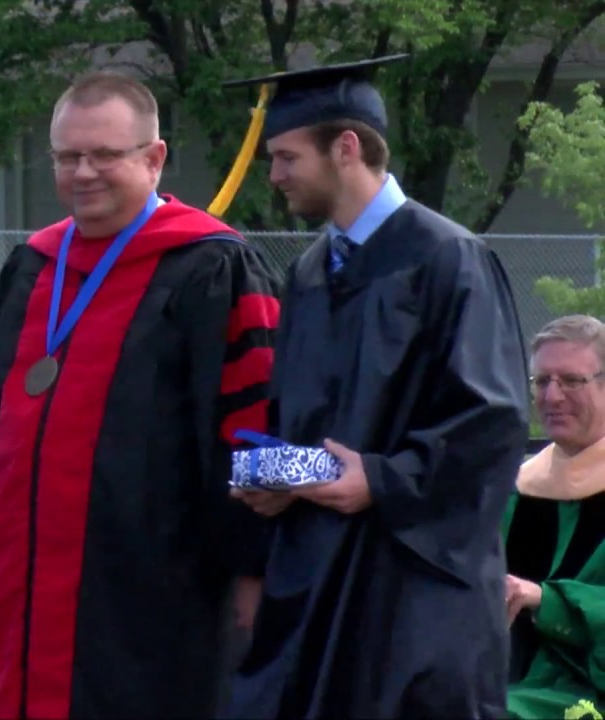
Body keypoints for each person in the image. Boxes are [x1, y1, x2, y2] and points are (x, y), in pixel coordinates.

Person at [0, 70, 282, 718]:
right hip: (28, 590)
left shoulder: (211, 268)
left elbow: (252, 431)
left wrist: (252, 572)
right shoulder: (29, 270)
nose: (83, 172)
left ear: (154, 158)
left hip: (158, 596)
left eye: (104, 154)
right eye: (68, 156)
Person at [222, 55, 531, 718]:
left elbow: (492, 423)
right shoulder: (309, 273)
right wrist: (278, 476)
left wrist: (383, 479)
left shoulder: (448, 257)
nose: (274, 175)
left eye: (286, 157)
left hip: (411, 591)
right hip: (316, 581)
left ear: (346, 147)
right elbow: (298, 415)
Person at [503, 315, 605, 720]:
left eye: (572, 381)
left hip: (583, 693)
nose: (552, 396)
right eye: (542, 381)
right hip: (498, 674)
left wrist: (546, 600)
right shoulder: (518, 487)